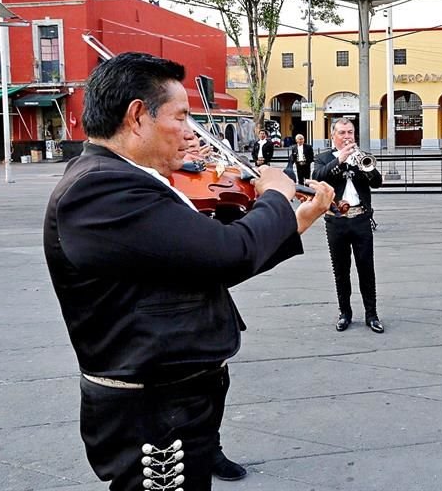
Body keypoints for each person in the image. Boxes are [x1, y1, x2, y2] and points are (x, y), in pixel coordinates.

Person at [43, 52, 334, 491]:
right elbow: (228, 252)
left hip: (173, 393)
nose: (189, 131)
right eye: (180, 117)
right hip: (151, 407)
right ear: (138, 116)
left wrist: (296, 221)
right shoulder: (101, 188)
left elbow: (206, 265)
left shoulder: (129, 179)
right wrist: (275, 195)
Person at [313, 118, 385, 333]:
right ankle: (345, 313)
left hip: (361, 219)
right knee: (341, 270)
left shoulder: (361, 156)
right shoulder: (323, 158)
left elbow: (377, 182)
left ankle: (371, 315)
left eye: (350, 132)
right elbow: (317, 178)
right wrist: (340, 161)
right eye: (342, 132)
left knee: (366, 268)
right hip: (336, 221)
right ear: (333, 135)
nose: (347, 137)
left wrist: (361, 165)